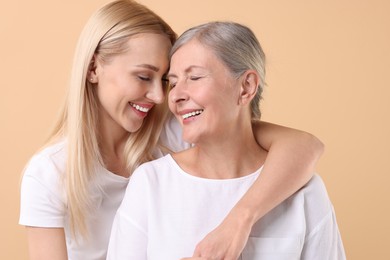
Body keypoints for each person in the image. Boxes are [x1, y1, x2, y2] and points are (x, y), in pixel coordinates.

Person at [19, 1, 324, 260]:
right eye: (143, 76)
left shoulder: (175, 133)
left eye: (165, 80)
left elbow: (304, 146)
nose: (159, 96)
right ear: (93, 68)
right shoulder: (49, 174)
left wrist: (238, 221)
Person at [107, 21, 345, 260]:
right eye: (174, 82)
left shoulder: (304, 190)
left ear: (246, 87)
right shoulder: (151, 184)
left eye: (195, 77)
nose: (176, 95)